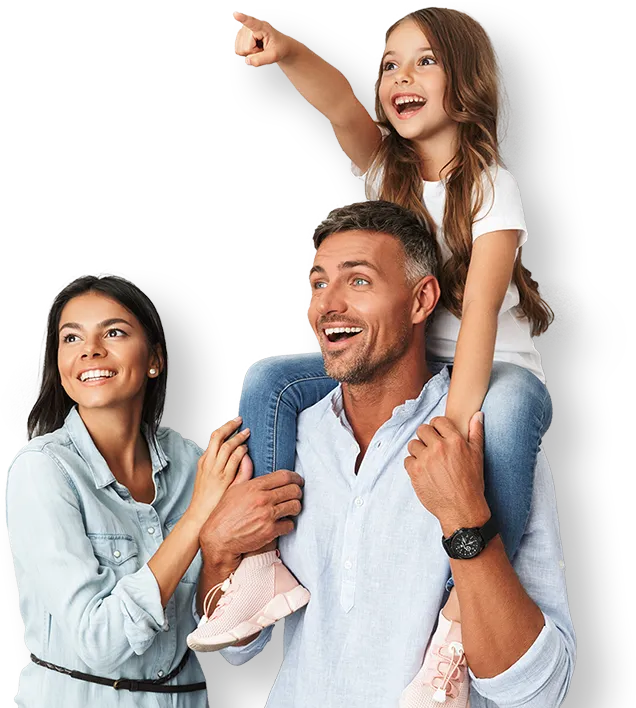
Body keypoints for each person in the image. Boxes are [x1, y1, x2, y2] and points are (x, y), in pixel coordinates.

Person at [191, 7, 555, 706]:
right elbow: (335, 99)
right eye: (390, 64)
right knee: (269, 377)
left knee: (498, 419)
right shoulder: (385, 166)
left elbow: (478, 313)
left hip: (496, 369)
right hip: (410, 359)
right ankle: (263, 564)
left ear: (466, 82)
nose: (401, 77)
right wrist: (287, 50)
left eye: (424, 62)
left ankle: (457, 614)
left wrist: (450, 422)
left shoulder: (491, 188)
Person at [192, 199, 576, 708]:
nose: (327, 304)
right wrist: (218, 555)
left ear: (421, 302)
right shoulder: (288, 440)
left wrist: (467, 521)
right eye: (318, 283)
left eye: (358, 281)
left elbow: (537, 692)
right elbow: (240, 648)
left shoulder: (490, 443)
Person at [3, 272, 304, 707]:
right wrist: (199, 517)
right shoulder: (43, 471)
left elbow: (232, 640)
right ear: (61, 370)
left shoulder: (193, 463)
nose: (90, 349)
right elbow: (99, 642)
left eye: (114, 332)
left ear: (153, 360)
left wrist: (223, 554)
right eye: (71, 338)